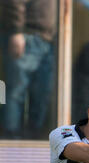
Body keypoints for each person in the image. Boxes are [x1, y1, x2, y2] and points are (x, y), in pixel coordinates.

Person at [1, 0, 57, 139]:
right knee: (16, 92)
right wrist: (16, 32)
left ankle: (34, 136)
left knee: (42, 94)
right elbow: (13, 2)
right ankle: (11, 137)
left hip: (48, 40)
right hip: (27, 36)